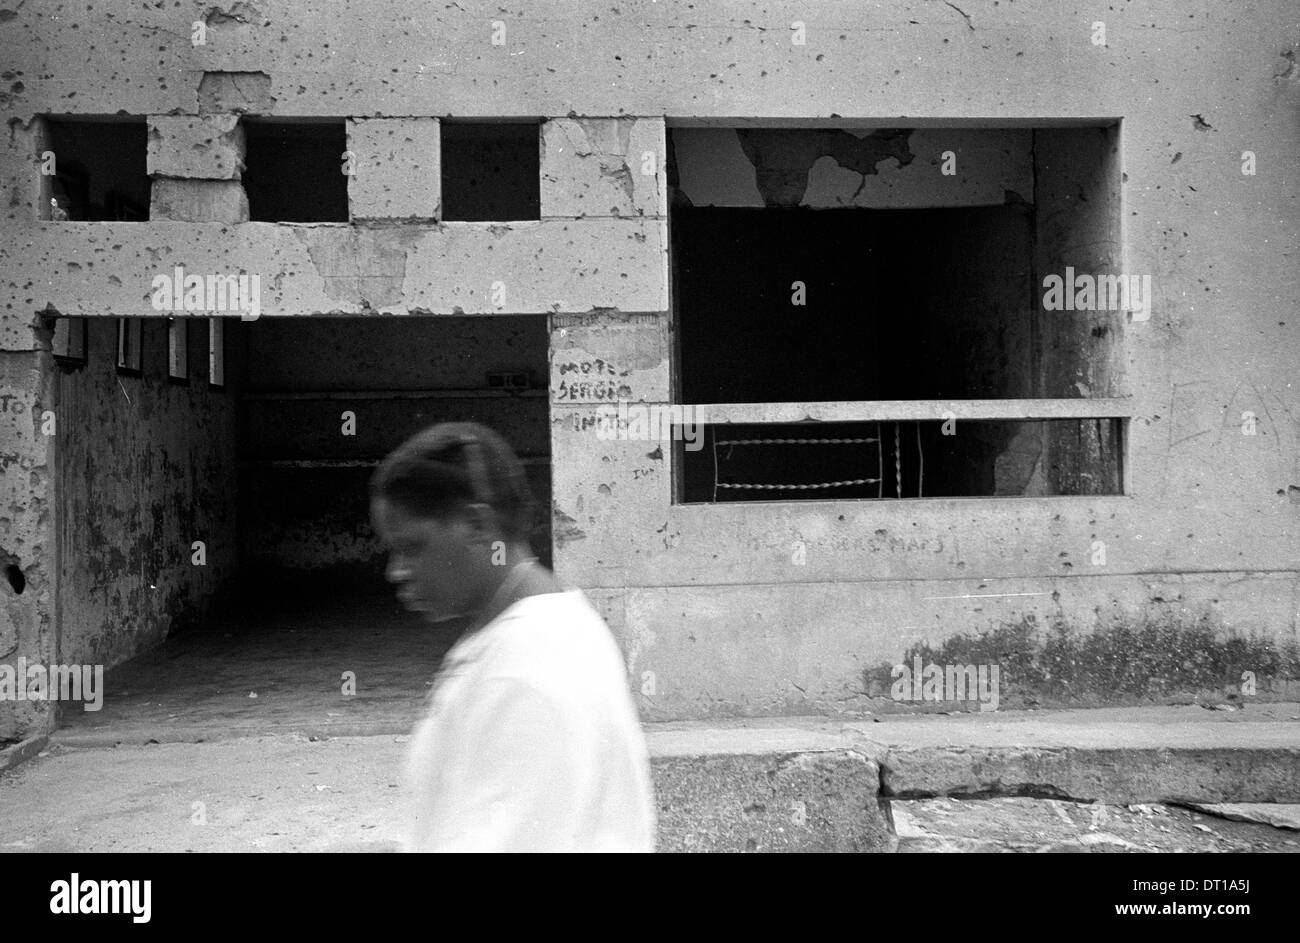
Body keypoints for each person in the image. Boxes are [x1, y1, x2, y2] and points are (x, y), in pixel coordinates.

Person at [369, 421, 655, 852]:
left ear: (476, 525)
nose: (397, 571)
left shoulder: (528, 669)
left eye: (412, 547)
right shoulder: (535, 626)